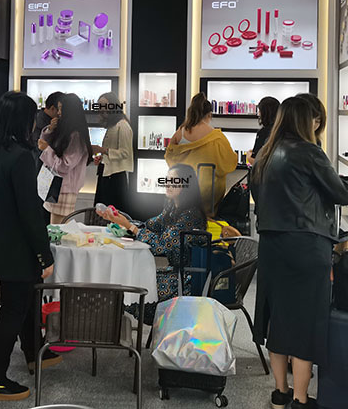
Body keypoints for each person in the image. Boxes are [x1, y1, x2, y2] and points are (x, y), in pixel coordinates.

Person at [250, 96, 348, 409]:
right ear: (307, 121)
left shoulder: (265, 154)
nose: (317, 124)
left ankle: (280, 393)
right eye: (315, 119)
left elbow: (258, 195)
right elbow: (341, 193)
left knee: (278, 320)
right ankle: (300, 398)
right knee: (305, 324)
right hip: (306, 248)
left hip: (271, 246)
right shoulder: (310, 152)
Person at [0, 92, 60, 401]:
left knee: (24, 301)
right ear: (25, 120)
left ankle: (34, 351)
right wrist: (44, 254)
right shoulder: (20, 156)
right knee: (13, 310)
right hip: (16, 248)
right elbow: (29, 212)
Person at [99, 163, 240, 322]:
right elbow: (150, 225)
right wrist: (122, 219)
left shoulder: (190, 215)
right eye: (167, 179)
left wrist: (130, 226)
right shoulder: (172, 208)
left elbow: (161, 245)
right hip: (176, 272)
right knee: (130, 281)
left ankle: (116, 327)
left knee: (134, 285)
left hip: (188, 281)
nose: (168, 184)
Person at [165, 93, 237, 216]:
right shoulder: (217, 137)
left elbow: (169, 157)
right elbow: (229, 163)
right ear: (209, 115)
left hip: (184, 188)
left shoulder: (180, 132)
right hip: (209, 192)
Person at [38, 92, 94, 224]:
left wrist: (46, 149)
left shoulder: (76, 136)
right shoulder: (67, 132)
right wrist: (50, 130)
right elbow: (46, 144)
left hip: (64, 189)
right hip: (57, 186)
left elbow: (64, 165)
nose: (58, 113)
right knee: (56, 227)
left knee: (57, 229)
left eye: (61, 109)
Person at [91, 91, 134, 214]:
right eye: (99, 106)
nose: (101, 109)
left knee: (113, 212)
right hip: (106, 174)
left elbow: (125, 152)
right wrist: (101, 157)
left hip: (115, 177)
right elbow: (112, 150)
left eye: (104, 105)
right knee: (102, 211)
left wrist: (102, 150)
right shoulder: (112, 126)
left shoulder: (123, 126)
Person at [250, 96, 280, 161]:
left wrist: (248, 156)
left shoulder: (263, 133)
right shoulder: (282, 130)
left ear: (264, 113)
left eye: (259, 111)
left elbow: (256, 161)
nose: (258, 114)